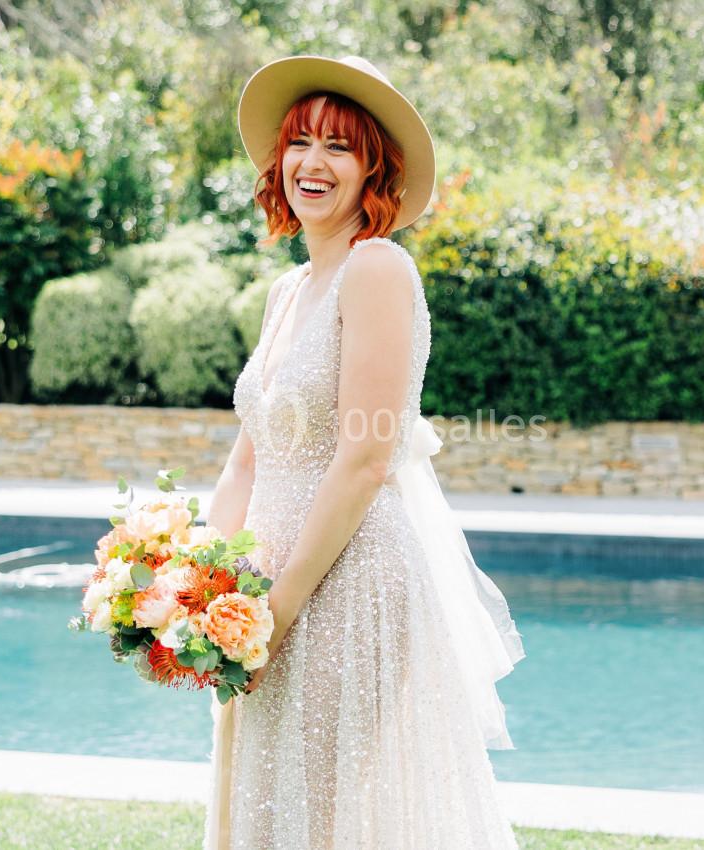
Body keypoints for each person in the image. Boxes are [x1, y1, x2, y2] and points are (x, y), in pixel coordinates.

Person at [203, 54, 525, 849]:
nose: (313, 163)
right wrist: (195, 578)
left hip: (346, 588)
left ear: (373, 168)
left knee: (324, 820)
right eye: (300, 142)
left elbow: (366, 460)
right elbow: (250, 460)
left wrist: (276, 610)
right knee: (266, 808)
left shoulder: (378, 268)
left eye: (339, 147)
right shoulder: (287, 292)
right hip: (264, 593)